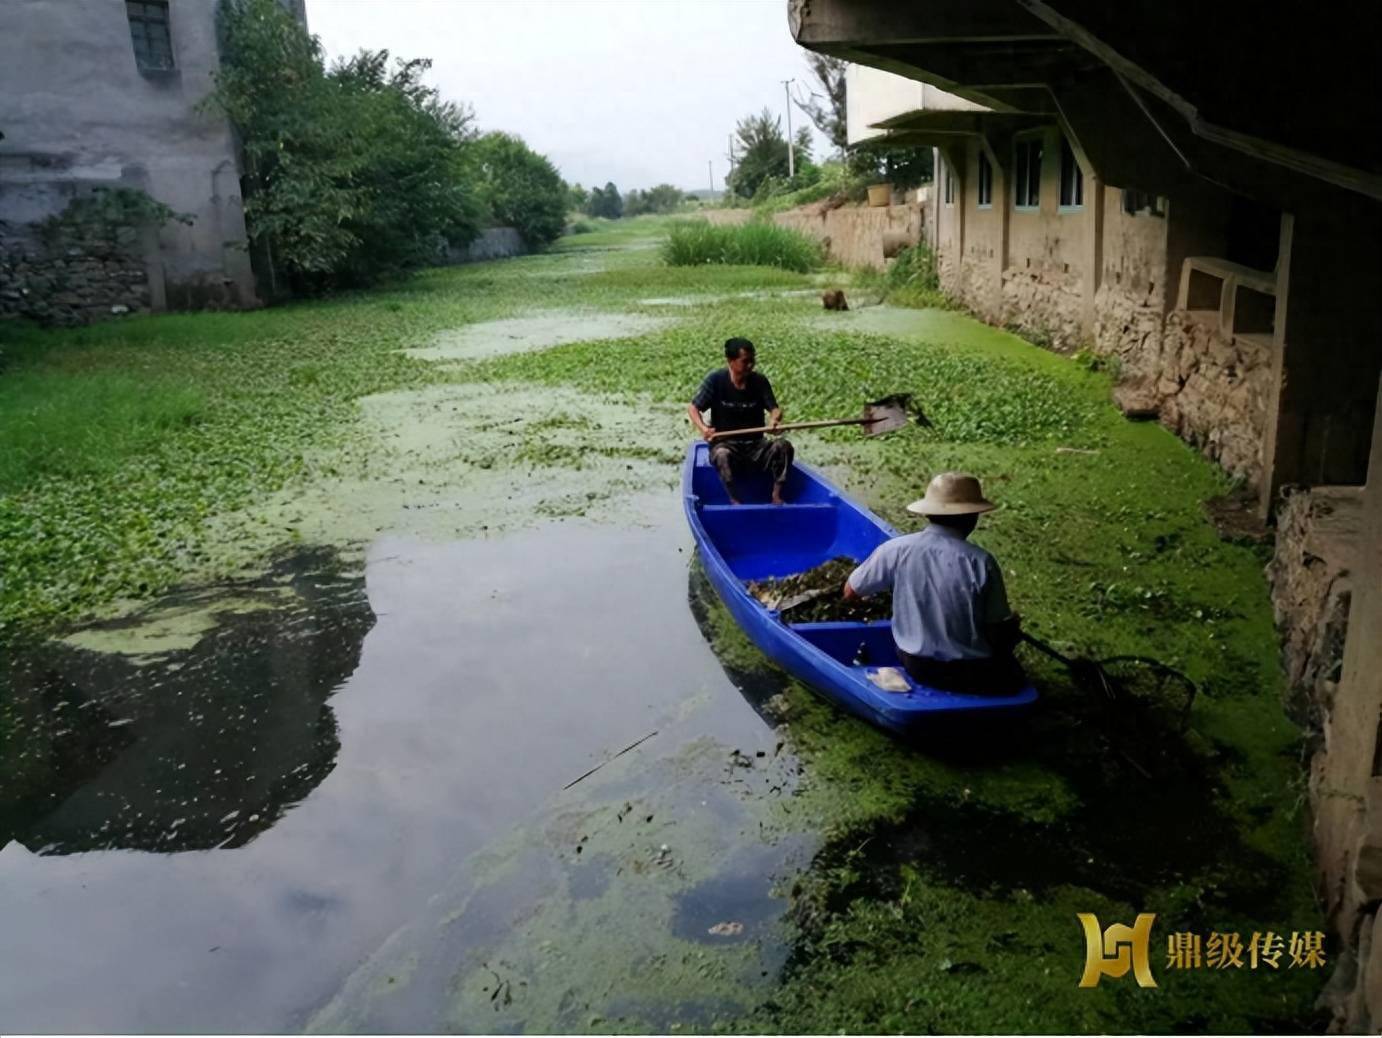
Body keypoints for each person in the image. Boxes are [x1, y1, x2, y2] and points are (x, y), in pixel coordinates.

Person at [843, 472, 1024, 695]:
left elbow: (851, 591)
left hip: (916, 665)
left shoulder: (896, 549)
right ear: (973, 517)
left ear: (928, 513)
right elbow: (994, 629)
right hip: (973, 671)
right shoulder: (981, 562)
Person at [687, 337, 795, 505]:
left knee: (783, 447)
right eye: (745, 361)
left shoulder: (759, 381)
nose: (751, 365)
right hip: (727, 445)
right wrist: (704, 428)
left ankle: (776, 496)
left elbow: (775, 408)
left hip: (756, 446)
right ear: (730, 361)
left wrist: (774, 420)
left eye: (753, 361)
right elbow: (693, 408)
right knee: (722, 455)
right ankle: (735, 499)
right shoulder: (716, 381)